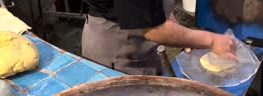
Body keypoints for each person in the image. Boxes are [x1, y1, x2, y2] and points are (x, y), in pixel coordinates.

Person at [82, 0, 236, 75]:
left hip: (141, 41)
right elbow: (154, 30)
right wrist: (211, 40)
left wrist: (182, 34)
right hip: (116, 47)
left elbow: (153, 7)